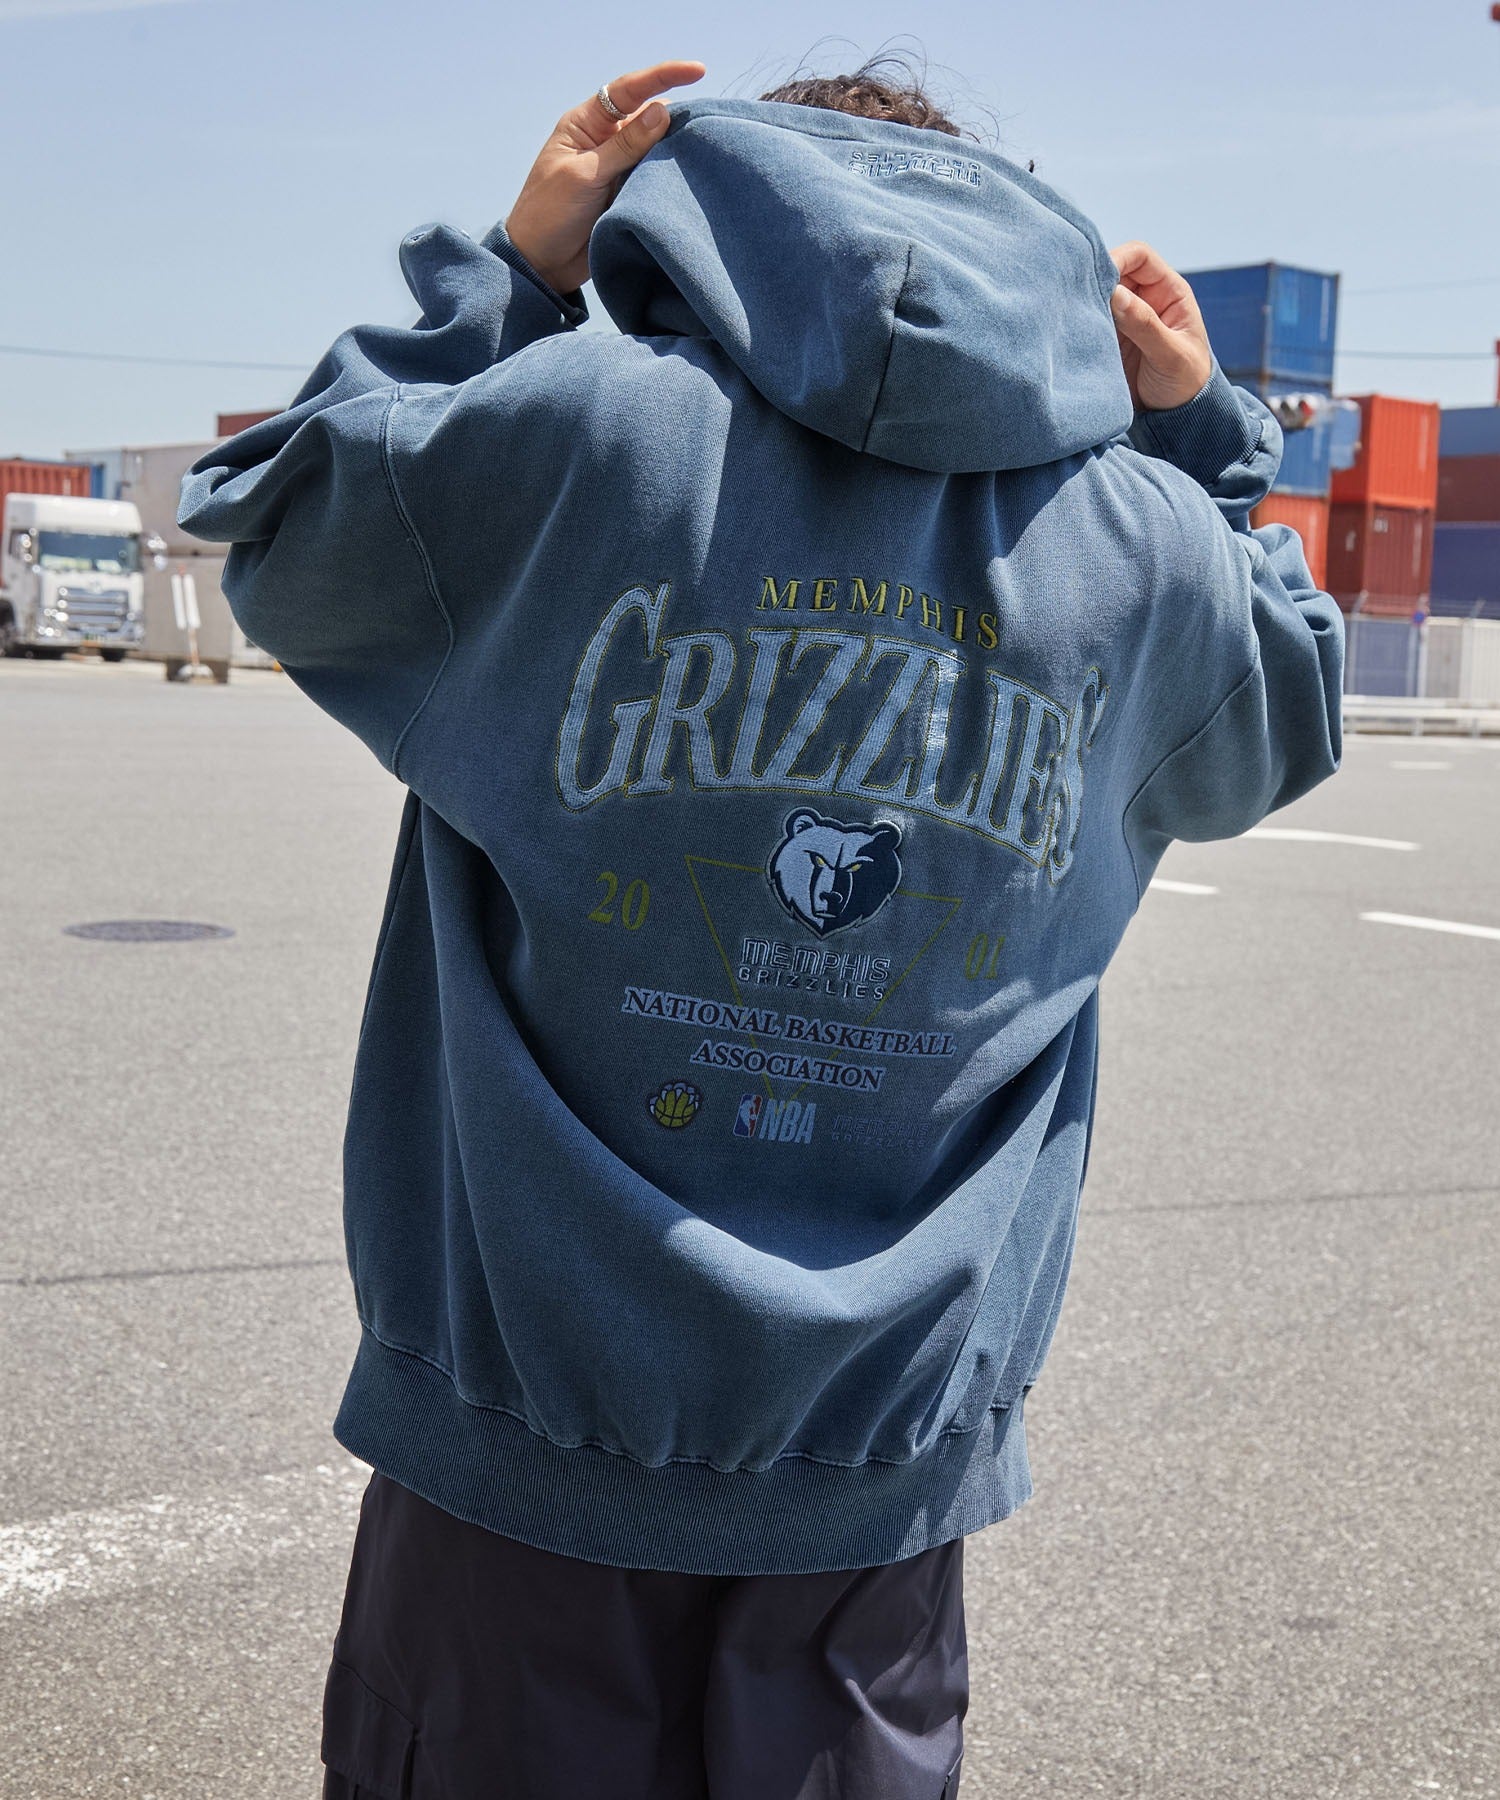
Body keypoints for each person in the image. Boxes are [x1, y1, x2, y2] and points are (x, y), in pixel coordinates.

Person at [178, 51, 1345, 1800]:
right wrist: (1198, 443)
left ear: (731, 203)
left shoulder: (580, 432)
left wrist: (513, 276)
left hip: (519, 1440)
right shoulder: (1143, 547)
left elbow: (286, 522)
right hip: (881, 1472)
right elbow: (1289, 706)